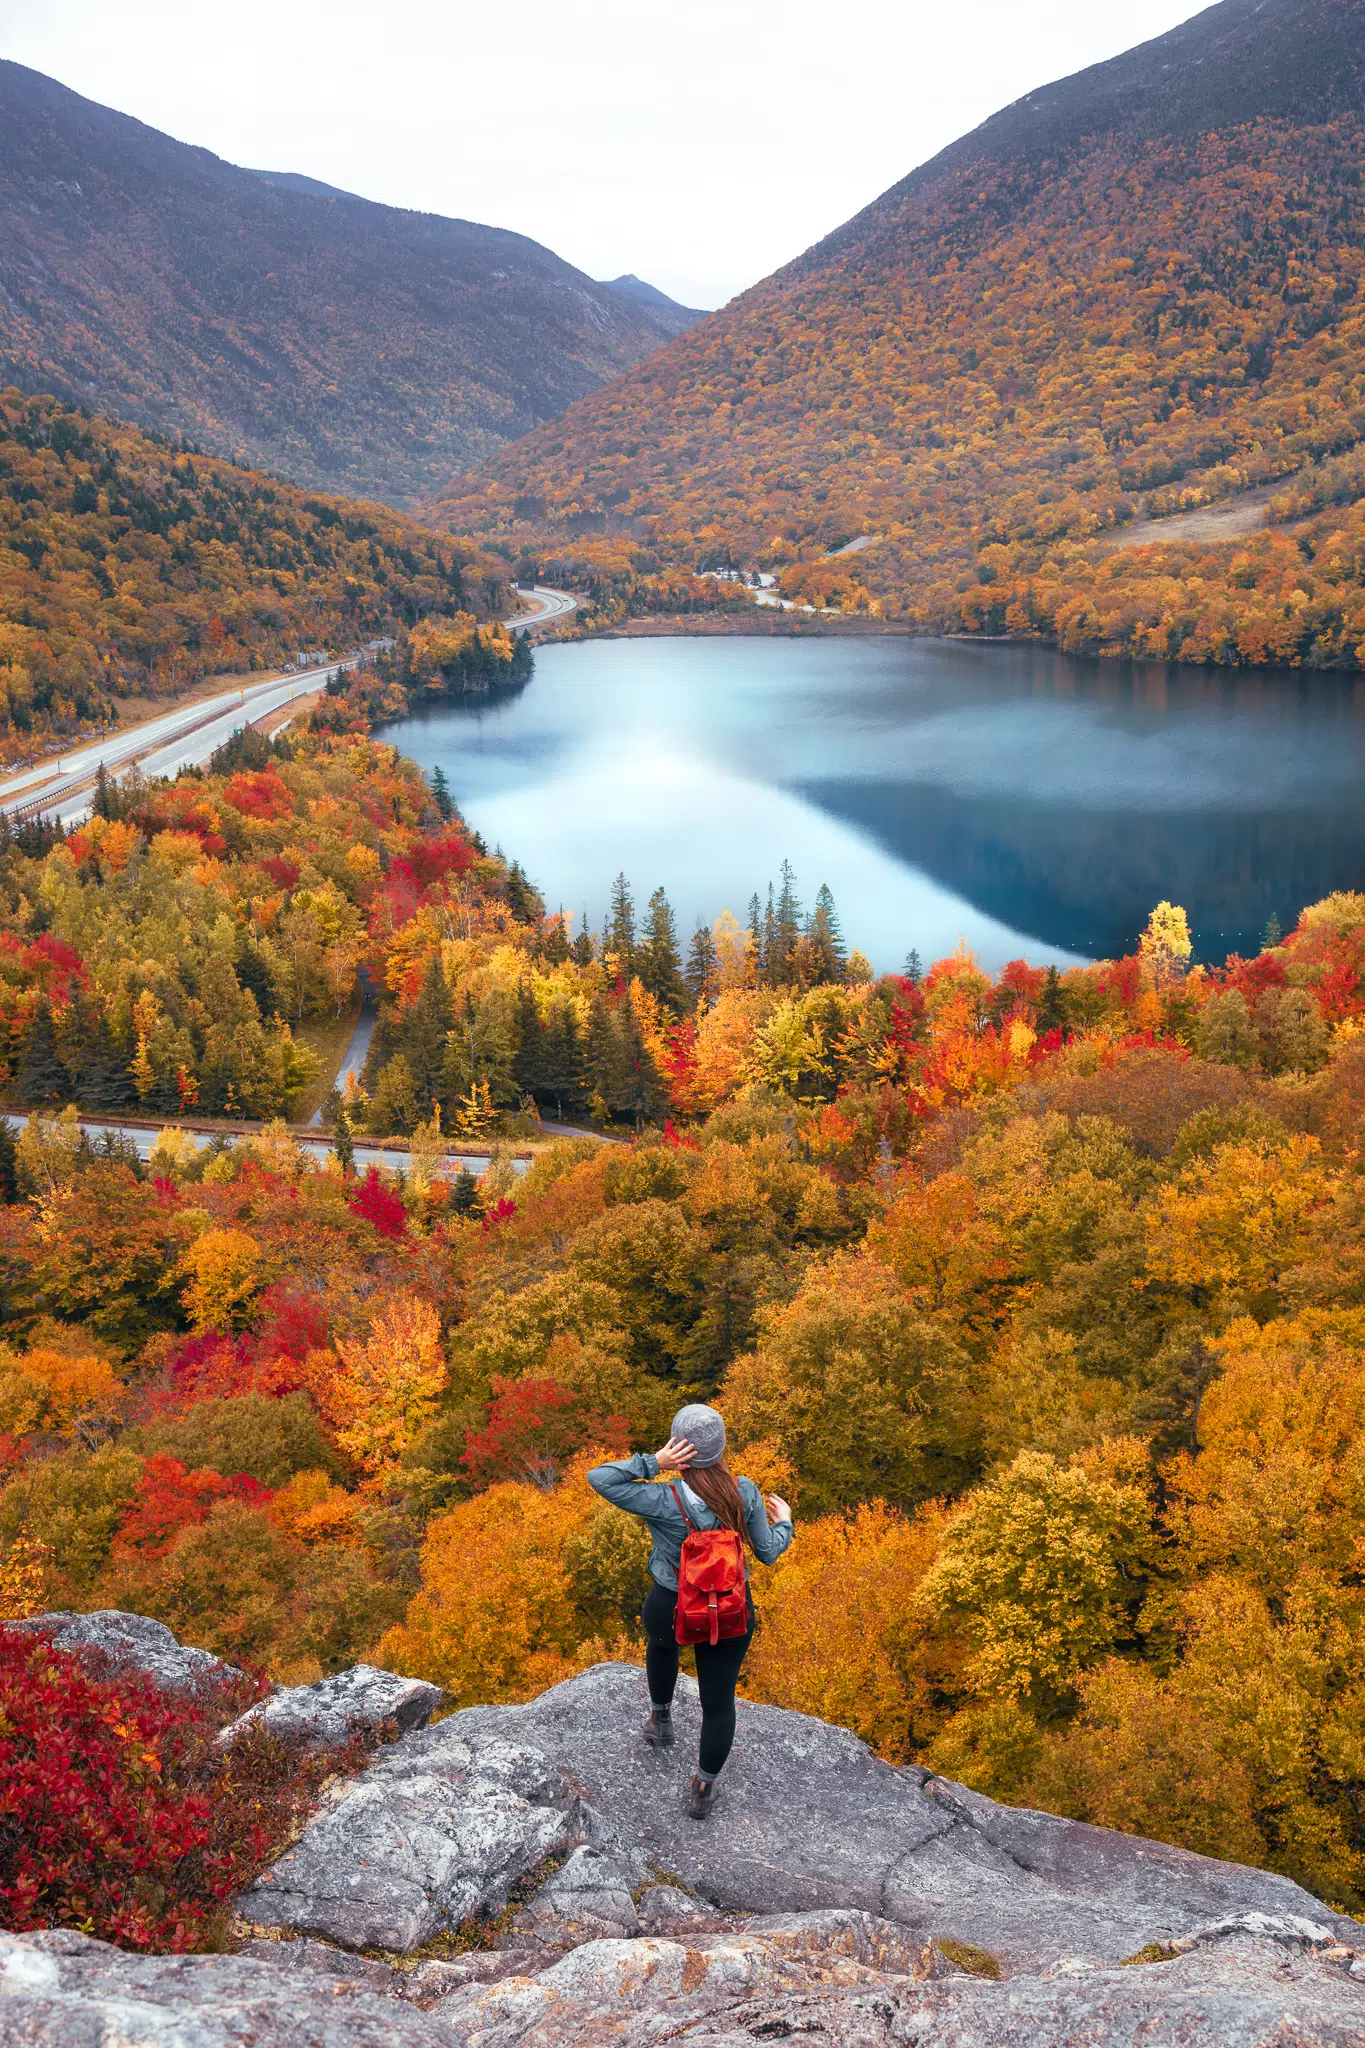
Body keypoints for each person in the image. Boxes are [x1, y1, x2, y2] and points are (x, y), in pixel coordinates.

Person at [587, 1402, 793, 1820]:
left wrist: (653, 1462)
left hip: (671, 1603)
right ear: (720, 1448)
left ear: (679, 1448)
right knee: (719, 1702)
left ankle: (661, 1721)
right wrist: (785, 1522)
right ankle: (702, 1788)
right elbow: (768, 1553)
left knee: (662, 1647)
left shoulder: (662, 1498)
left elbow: (600, 1478)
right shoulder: (744, 1490)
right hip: (731, 1610)